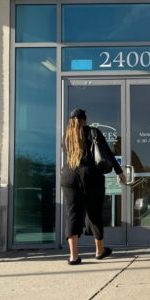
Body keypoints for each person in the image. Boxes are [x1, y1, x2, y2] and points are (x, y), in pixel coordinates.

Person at [61, 109, 126, 265]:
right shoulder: (93, 132)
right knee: (94, 212)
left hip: (69, 175)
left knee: (73, 214)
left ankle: (73, 256)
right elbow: (108, 154)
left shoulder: (67, 137)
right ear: (84, 119)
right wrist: (120, 172)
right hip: (91, 175)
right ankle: (99, 251)